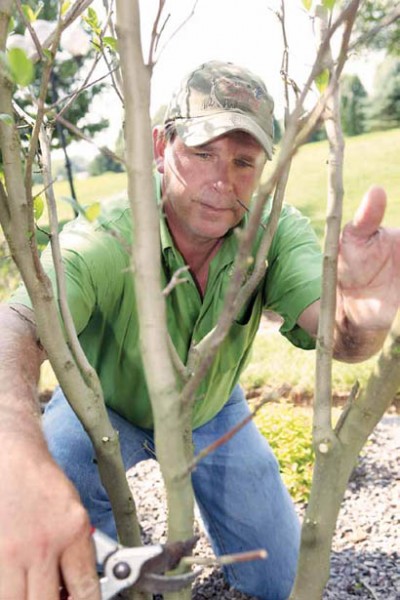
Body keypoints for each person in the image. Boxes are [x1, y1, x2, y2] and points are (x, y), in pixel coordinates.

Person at [0, 60, 399, 600]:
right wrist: (17, 464)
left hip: (213, 411)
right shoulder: (106, 238)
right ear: (163, 148)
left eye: (242, 161)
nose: (221, 181)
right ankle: (112, 566)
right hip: (102, 408)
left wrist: (363, 322)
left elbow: (339, 332)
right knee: (68, 561)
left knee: (284, 580)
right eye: (203, 153)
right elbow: (14, 328)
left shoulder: (274, 232)